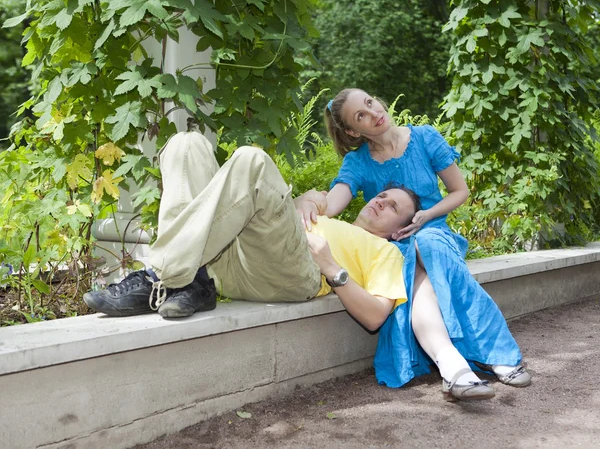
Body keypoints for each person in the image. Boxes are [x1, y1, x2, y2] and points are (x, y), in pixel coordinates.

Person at [84, 131, 495, 401]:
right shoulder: (324, 214)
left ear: (402, 230)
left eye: (392, 208)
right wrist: (300, 202)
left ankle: (161, 275)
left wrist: (331, 267)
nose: (380, 201)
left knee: (252, 160)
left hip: (297, 272)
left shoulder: (387, 254)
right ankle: (193, 281)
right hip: (238, 257)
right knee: (185, 145)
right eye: (382, 195)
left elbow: (375, 317)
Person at [316, 88, 532, 391]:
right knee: (415, 275)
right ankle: (463, 365)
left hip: (435, 234)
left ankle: (479, 359)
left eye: (370, 102)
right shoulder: (358, 162)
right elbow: (335, 201)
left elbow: (460, 191)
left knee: (426, 244)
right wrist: (312, 203)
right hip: (393, 246)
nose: (373, 112)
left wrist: (427, 216)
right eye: (360, 115)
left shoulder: (425, 138)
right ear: (353, 130)